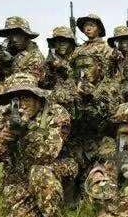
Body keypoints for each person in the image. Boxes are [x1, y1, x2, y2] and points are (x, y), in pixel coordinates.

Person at [0, 73, 76, 217]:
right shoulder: (7, 113)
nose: (21, 104)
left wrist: (26, 130)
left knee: (39, 172)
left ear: (37, 97)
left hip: (54, 170)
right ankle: (36, 209)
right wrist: (3, 138)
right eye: (15, 99)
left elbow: (48, 154)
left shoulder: (56, 113)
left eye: (26, 97)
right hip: (20, 178)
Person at [51, 52, 121, 200]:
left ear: (99, 67)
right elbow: (64, 118)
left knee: (106, 172)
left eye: (88, 66)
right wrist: (76, 98)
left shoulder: (112, 88)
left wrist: (92, 98)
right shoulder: (68, 89)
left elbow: (108, 122)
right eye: (79, 67)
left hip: (102, 143)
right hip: (75, 146)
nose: (83, 71)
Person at [0, 16, 45, 88]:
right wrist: (1, 61)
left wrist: (10, 64)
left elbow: (26, 84)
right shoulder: (8, 50)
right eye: (11, 35)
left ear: (26, 36)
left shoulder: (35, 57)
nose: (14, 39)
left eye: (18, 35)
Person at [44, 26, 77, 90]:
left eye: (65, 41)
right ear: (54, 43)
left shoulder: (78, 57)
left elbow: (80, 76)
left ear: (71, 43)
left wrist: (62, 67)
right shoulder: (52, 57)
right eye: (59, 41)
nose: (62, 44)